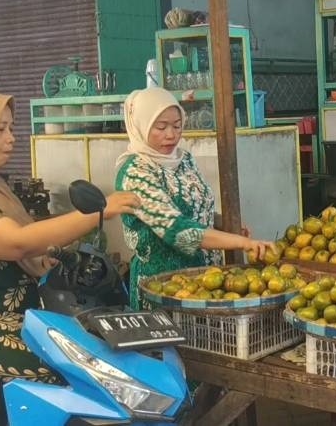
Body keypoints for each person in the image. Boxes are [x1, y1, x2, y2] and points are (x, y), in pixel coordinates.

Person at [0, 90, 140, 383]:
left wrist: (47, 256)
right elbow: (17, 242)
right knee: (75, 377)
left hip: (26, 315)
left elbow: (26, 248)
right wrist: (101, 211)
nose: (11, 138)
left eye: (11, 128)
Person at [115, 87, 272, 309]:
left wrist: (223, 224)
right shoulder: (134, 173)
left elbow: (195, 206)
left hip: (205, 282)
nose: (171, 135)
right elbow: (177, 229)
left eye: (177, 126)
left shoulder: (183, 159)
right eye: (160, 127)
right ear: (141, 126)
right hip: (162, 288)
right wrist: (242, 243)